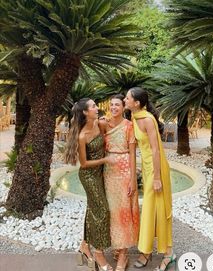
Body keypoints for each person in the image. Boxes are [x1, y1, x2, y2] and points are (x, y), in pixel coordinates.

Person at [124, 87, 176, 271]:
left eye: (127, 97)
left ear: (136, 103)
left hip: (157, 170)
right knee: (150, 208)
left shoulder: (146, 119)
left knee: (158, 209)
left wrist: (156, 178)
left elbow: (155, 149)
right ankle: (150, 251)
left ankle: (164, 253)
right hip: (147, 168)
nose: (125, 99)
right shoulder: (135, 116)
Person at [65, 98, 114, 271]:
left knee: (92, 209)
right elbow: (84, 164)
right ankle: (99, 254)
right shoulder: (82, 136)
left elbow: (111, 129)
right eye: (93, 106)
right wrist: (105, 160)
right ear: (85, 112)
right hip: (89, 176)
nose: (97, 108)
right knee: (102, 210)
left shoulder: (98, 125)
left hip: (100, 173)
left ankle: (84, 246)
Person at [99, 94, 140, 271]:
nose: (114, 107)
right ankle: (116, 246)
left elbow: (132, 154)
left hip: (124, 171)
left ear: (123, 107)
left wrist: (133, 179)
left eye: (117, 104)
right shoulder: (104, 124)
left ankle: (123, 255)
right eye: (112, 105)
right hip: (108, 170)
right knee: (111, 211)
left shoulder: (130, 126)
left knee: (123, 212)